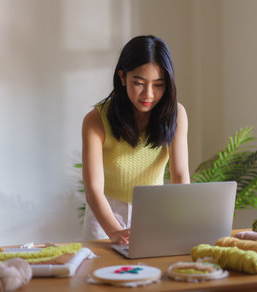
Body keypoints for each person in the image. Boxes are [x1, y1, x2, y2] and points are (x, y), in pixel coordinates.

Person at [81, 35, 190, 244]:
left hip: (154, 211)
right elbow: (93, 189)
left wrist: (185, 221)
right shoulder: (95, 121)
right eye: (139, 83)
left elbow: (179, 175)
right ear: (122, 77)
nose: (149, 94)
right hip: (105, 212)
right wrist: (114, 231)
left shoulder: (176, 114)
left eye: (159, 85)